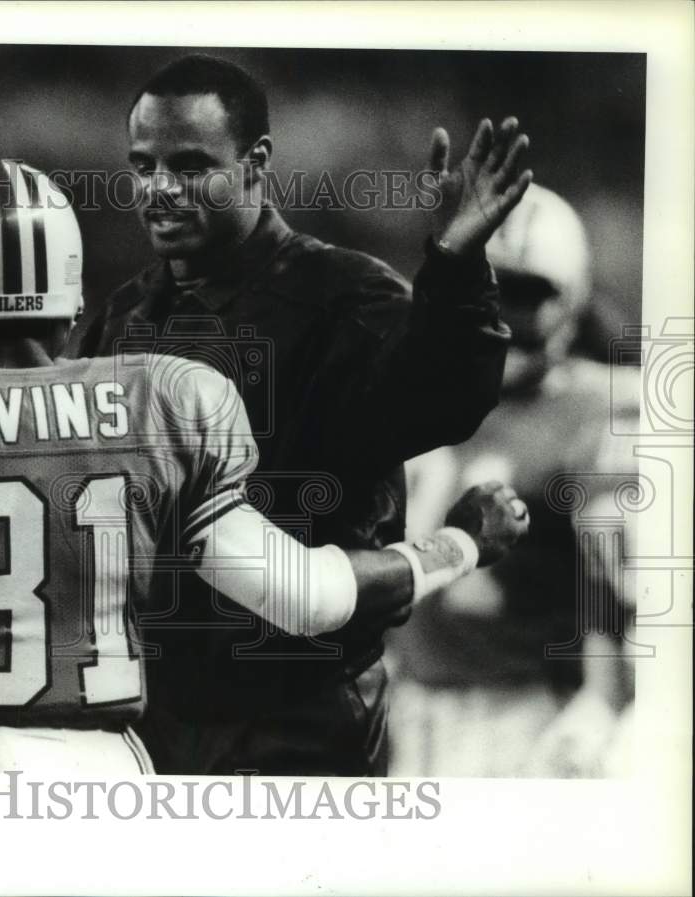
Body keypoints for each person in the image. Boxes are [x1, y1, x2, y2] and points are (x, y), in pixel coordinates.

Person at [0, 160, 530, 774]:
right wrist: (455, 544)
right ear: (68, 290)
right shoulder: (160, 403)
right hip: (117, 785)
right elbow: (310, 598)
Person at [69, 54, 533, 774]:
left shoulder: (342, 294)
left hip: (301, 719)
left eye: (190, 165)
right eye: (142, 165)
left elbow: (449, 395)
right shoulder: (126, 313)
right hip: (151, 716)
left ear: (256, 163)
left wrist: (455, 265)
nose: (159, 188)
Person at [387, 183, 639, 777]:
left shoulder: (600, 409)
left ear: (574, 300)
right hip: (413, 710)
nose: (501, 315)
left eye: (528, 294)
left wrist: (603, 701)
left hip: (525, 716)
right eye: (487, 289)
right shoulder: (416, 396)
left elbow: (623, 588)